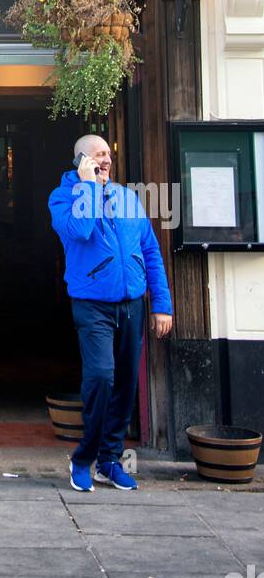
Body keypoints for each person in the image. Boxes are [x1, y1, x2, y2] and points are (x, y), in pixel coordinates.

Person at [49, 134, 173, 493]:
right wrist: (88, 187)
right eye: (97, 154)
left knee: (125, 384)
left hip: (132, 304)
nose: (106, 159)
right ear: (79, 161)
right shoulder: (63, 197)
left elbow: (150, 252)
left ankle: (109, 460)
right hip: (92, 305)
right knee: (101, 377)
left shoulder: (127, 197)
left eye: (108, 154)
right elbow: (80, 230)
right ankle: (83, 459)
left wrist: (161, 304)